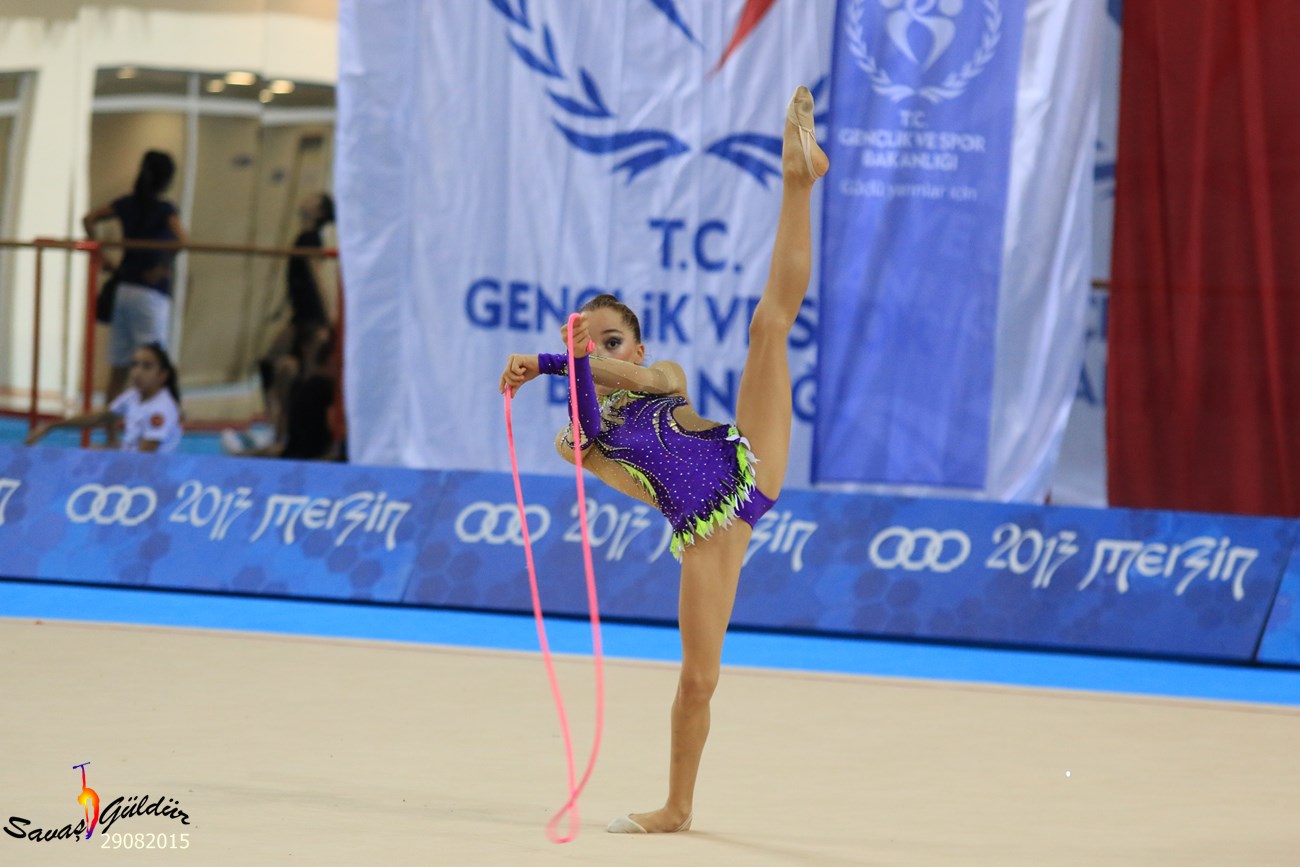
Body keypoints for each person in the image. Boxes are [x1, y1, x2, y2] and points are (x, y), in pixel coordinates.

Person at [499, 85, 828, 834]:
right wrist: (568, 378)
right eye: (589, 343)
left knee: (768, 326)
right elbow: (598, 440)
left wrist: (556, 360)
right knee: (696, 682)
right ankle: (678, 806)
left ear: (638, 347)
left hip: (747, 461)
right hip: (708, 532)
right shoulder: (582, 438)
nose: (600, 352)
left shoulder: (663, 375)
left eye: (611, 340)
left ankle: (798, 178)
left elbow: (631, 381)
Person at [83, 150, 187, 405]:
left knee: (119, 368)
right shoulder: (165, 209)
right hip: (150, 294)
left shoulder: (126, 204)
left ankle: (110, 426)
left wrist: (102, 256)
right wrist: (163, 266)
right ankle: (152, 421)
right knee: (154, 363)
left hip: (124, 290)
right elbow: (183, 240)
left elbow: (89, 219)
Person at [250, 192, 336, 443]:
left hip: (310, 315)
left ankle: (287, 428)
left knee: (298, 370)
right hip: (300, 313)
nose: (306, 199)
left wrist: (328, 314)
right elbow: (297, 279)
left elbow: (316, 277)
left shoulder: (311, 238)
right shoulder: (304, 236)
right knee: (270, 364)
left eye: (313, 199)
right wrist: (283, 307)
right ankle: (274, 423)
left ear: (319, 211)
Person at [25, 342, 183, 454]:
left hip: (151, 477)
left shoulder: (161, 409)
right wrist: (52, 426)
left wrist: (108, 453)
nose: (137, 372)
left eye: (147, 366)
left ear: (163, 375)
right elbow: (99, 417)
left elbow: (144, 458)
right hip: (132, 463)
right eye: (134, 365)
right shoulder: (133, 396)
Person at [224, 323, 337, 461]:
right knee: (274, 450)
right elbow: (285, 413)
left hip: (308, 451)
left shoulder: (319, 385)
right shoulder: (304, 382)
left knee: (275, 451)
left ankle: (245, 452)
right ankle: (245, 452)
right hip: (300, 448)